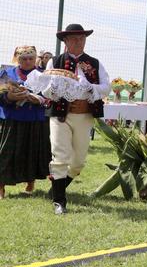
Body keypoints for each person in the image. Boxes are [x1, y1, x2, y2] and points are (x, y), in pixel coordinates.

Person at [45, 24, 110, 214]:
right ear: (65, 41)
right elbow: (45, 87)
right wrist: (54, 89)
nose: (79, 42)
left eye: (82, 38)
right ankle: (59, 201)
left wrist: (91, 87)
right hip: (60, 114)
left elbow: (106, 87)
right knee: (60, 155)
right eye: (74, 39)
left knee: (78, 162)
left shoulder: (95, 63)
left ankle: (57, 188)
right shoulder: (55, 62)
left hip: (84, 116)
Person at [0, 46, 51, 199]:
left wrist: (38, 99)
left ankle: (30, 182)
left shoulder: (43, 75)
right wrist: (10, 97)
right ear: (17, 58)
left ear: (36, 58)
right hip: (12, 119)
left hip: (36, 119)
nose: (27, 61)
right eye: (24, 59)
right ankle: (1, 187)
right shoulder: (7, 74)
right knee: (5, 153)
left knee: (32, 152)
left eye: (31, 58)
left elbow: (50, 97)